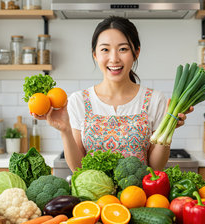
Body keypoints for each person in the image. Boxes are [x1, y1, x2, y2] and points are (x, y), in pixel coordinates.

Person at [32, 16, 193, 171]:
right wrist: (64, 130)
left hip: (138, 197)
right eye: (105, 50)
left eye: (123, 49)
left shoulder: (154, 100)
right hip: (94, 198)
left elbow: (155, 167)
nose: (114, 58)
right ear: (95, 54)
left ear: (136, 53)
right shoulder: (78, 100)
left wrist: (169, 129)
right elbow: (78, 169)